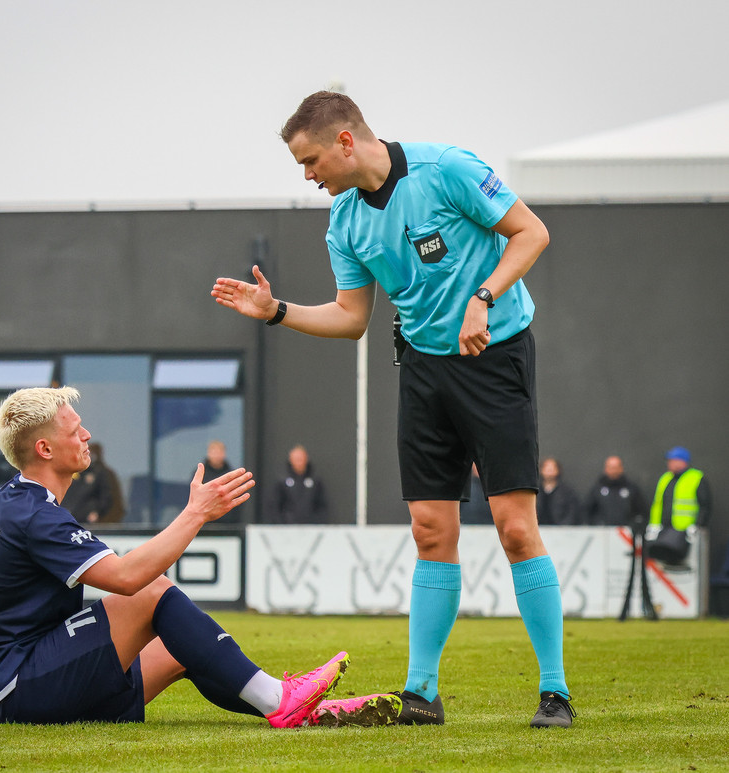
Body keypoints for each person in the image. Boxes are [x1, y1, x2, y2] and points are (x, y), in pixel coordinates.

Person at [212, 91, 573, 728]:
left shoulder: (447, 169)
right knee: (430, 532)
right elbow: (351, 317)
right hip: (425, 372)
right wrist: (276, 312)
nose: (308, 175)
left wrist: (484, 297)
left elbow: (531, 232)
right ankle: (422, 694)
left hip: (496, 356)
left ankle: (555, 691)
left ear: (345, 141)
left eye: (310, 160)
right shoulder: (345, 220)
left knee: (515, 529)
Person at [0, 386, 348, 727]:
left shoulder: (17, 499)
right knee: (151, 592)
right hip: (19, 688)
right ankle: (281, 700)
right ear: (44, 449)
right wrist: (196, 513)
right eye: (74, 430)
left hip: (21, 680)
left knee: (182, 644)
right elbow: (126, 578)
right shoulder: (35, 514)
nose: (87, 435)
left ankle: (304, 709)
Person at [646, 446, 712, 565]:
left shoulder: (696, 478)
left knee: (679, 559)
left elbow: (705, 505)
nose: (669, 463)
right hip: (665, 529)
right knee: (656, 555)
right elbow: (658, 504)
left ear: (682, 462)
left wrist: (698, 525)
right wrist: (654, 524)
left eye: (672, 460)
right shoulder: (665, 478)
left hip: (684, 531)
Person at [267, 445, 329, 524]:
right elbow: (274, 507)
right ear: (291, 460)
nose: (299, 462)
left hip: (310, 527)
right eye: (296, 459)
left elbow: (322, 507)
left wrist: (316, 522)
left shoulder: (316, 482)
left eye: (301, 459)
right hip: (287, 528)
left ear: (306, 460)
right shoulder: (281, 482)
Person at [584, 455, 646, 528]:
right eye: (611, 467)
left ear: (621, 468)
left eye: (616, 467)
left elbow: (642, 511)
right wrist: (596, 524)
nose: (614, 471)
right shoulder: (597, 489)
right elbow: (587, 511)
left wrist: (634, 524)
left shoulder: (631, 488)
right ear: (606, 469)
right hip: (603, 531)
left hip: (625, 531)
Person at [60, 441, 114, 524]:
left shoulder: (98, 472)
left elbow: (105, 496)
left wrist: (97, 512)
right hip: (67, 518)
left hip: (87, 521)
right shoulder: (66, 470)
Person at [537, 458, 582, 526]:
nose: (549, 471)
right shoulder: (534, 492)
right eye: (546, 468)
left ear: (558, 470)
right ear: (541, 470)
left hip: (561, 529)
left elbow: (572, 511)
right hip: (537, 528)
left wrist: (564, 526)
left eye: (552, 469)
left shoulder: (567, 492)